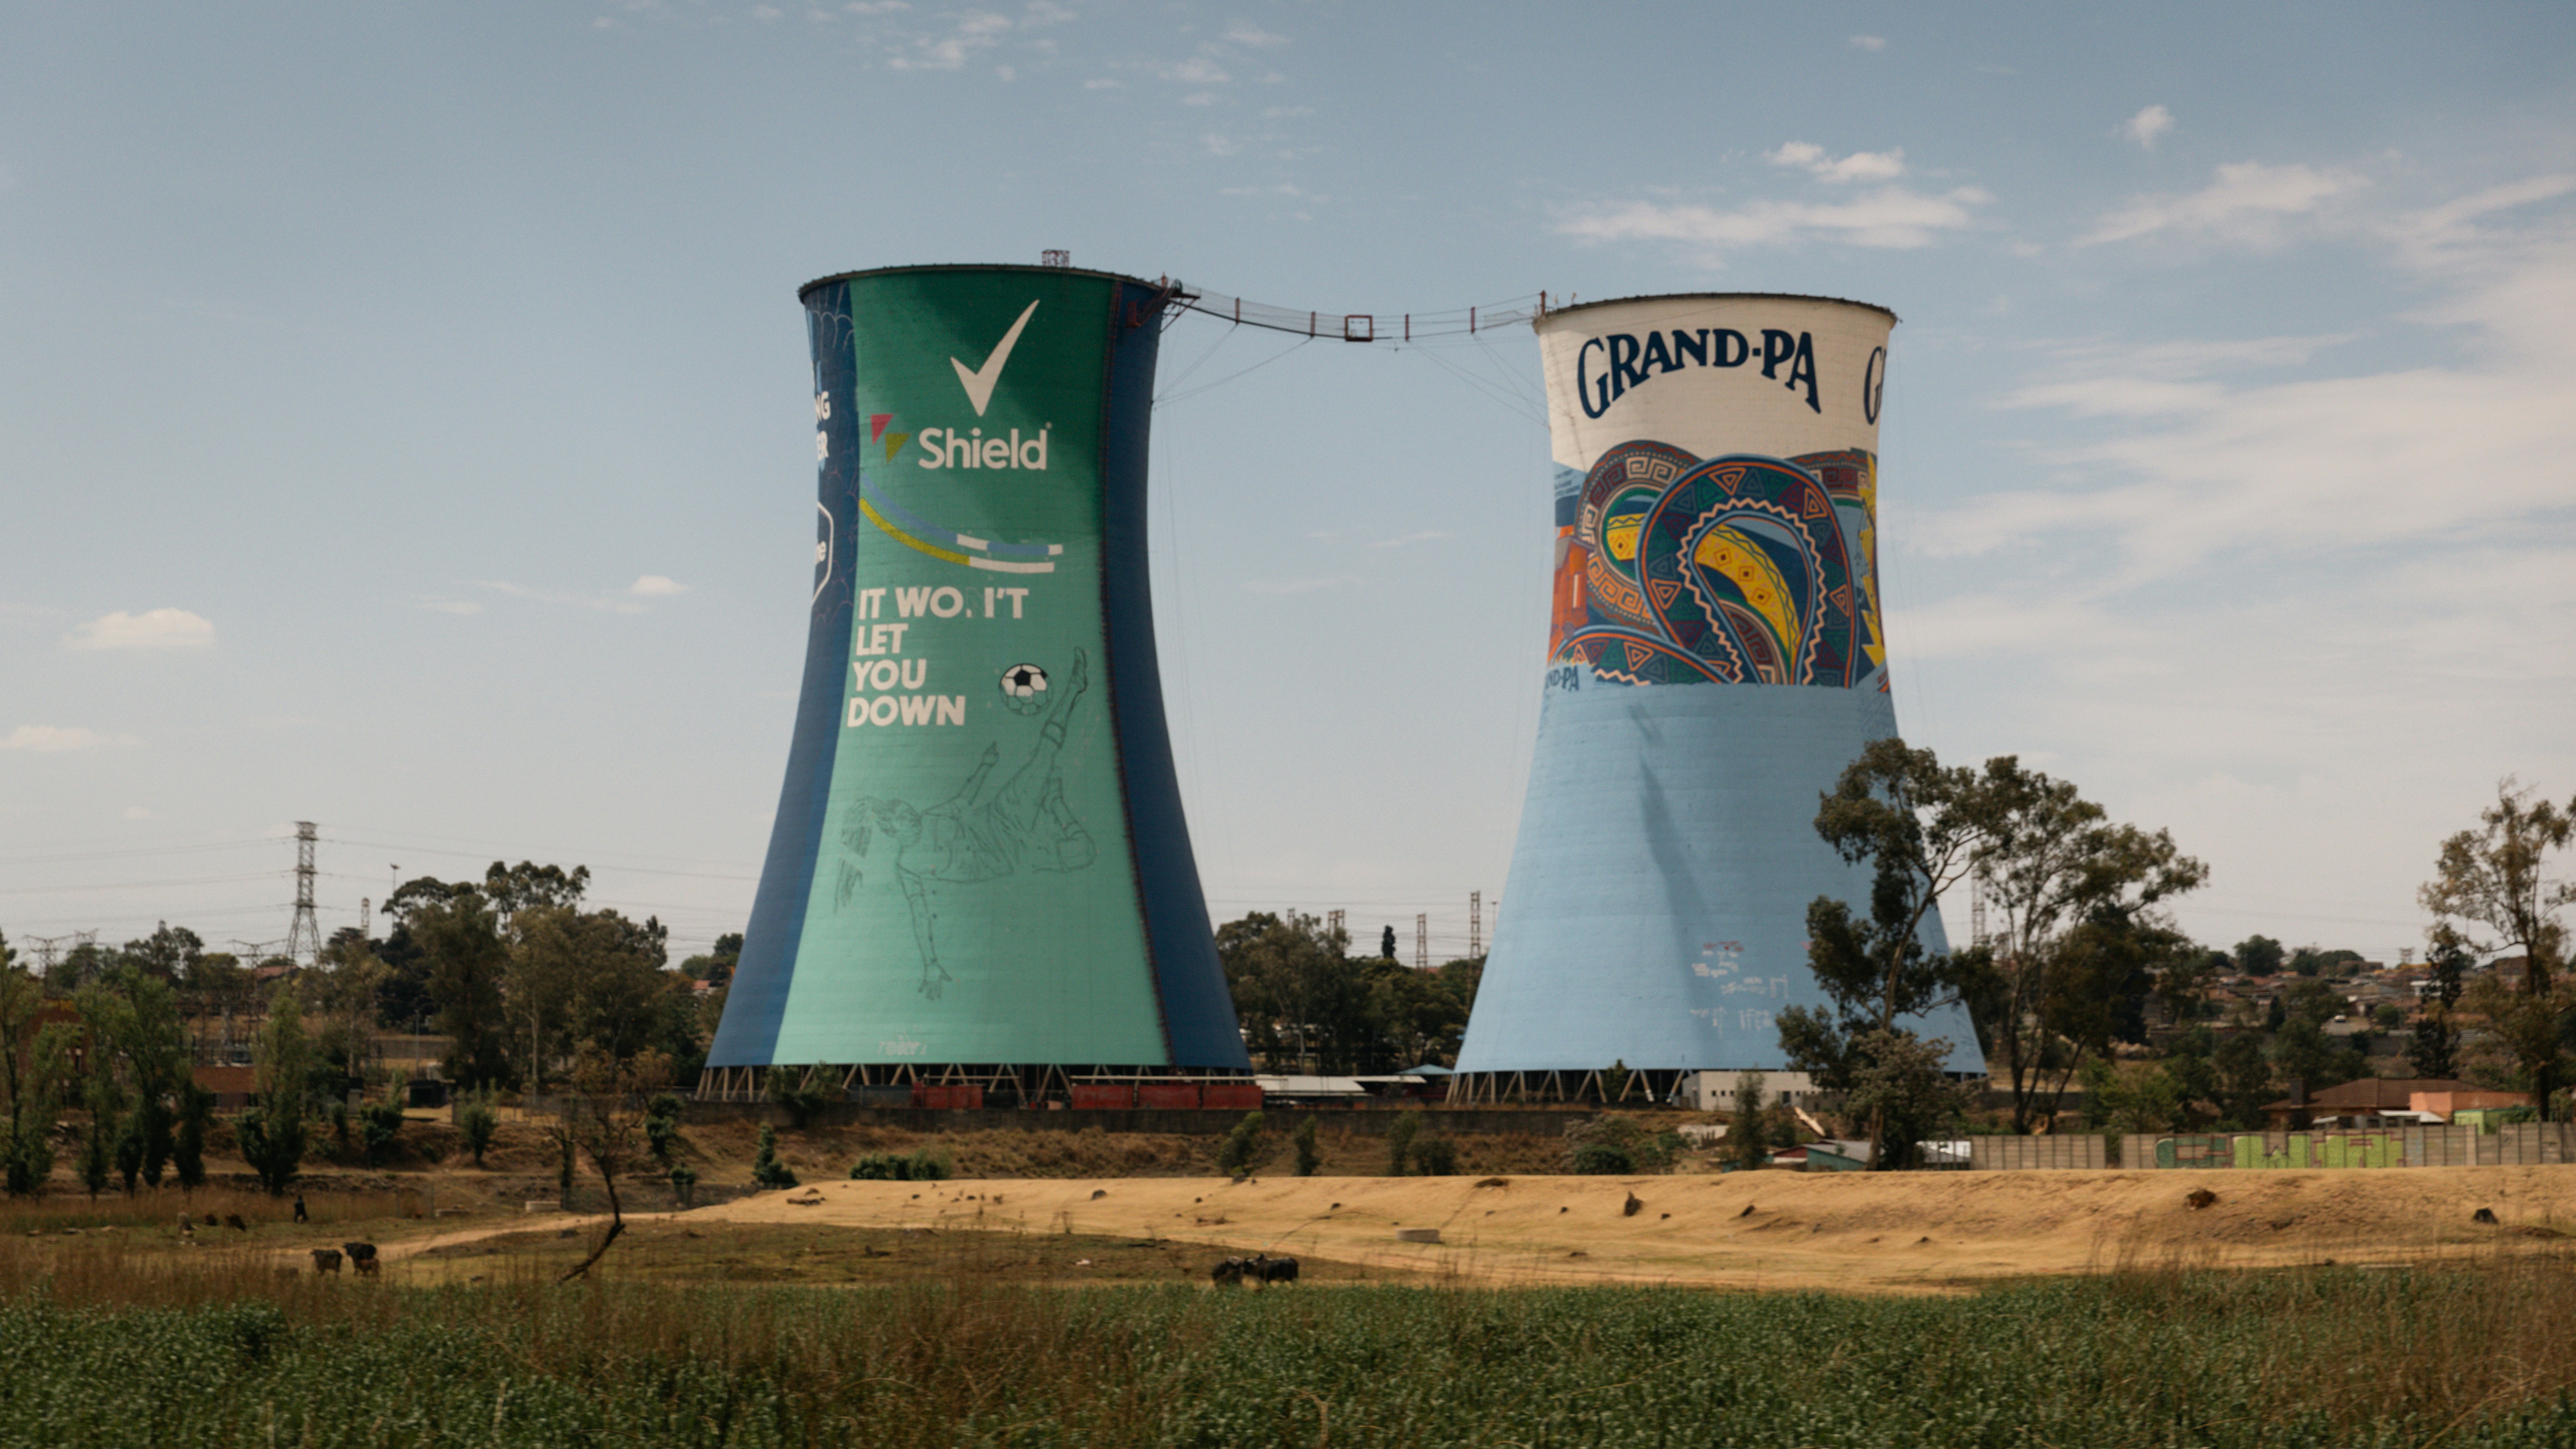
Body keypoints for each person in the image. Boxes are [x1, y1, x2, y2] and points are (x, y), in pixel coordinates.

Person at [835, 650, 1097, 998]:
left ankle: (1073, 689)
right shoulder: (908, 868)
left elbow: (964, 799)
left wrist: (987, 766)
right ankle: (1056, 805)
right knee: (1084, 852)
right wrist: (930, 963)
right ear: (891, 830)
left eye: (908, 810)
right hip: (1014, 858)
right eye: (902, 817)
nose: (911, 814)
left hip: (1003, 815)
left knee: (1044, 753)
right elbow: (920, 918)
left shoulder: (930, 817)